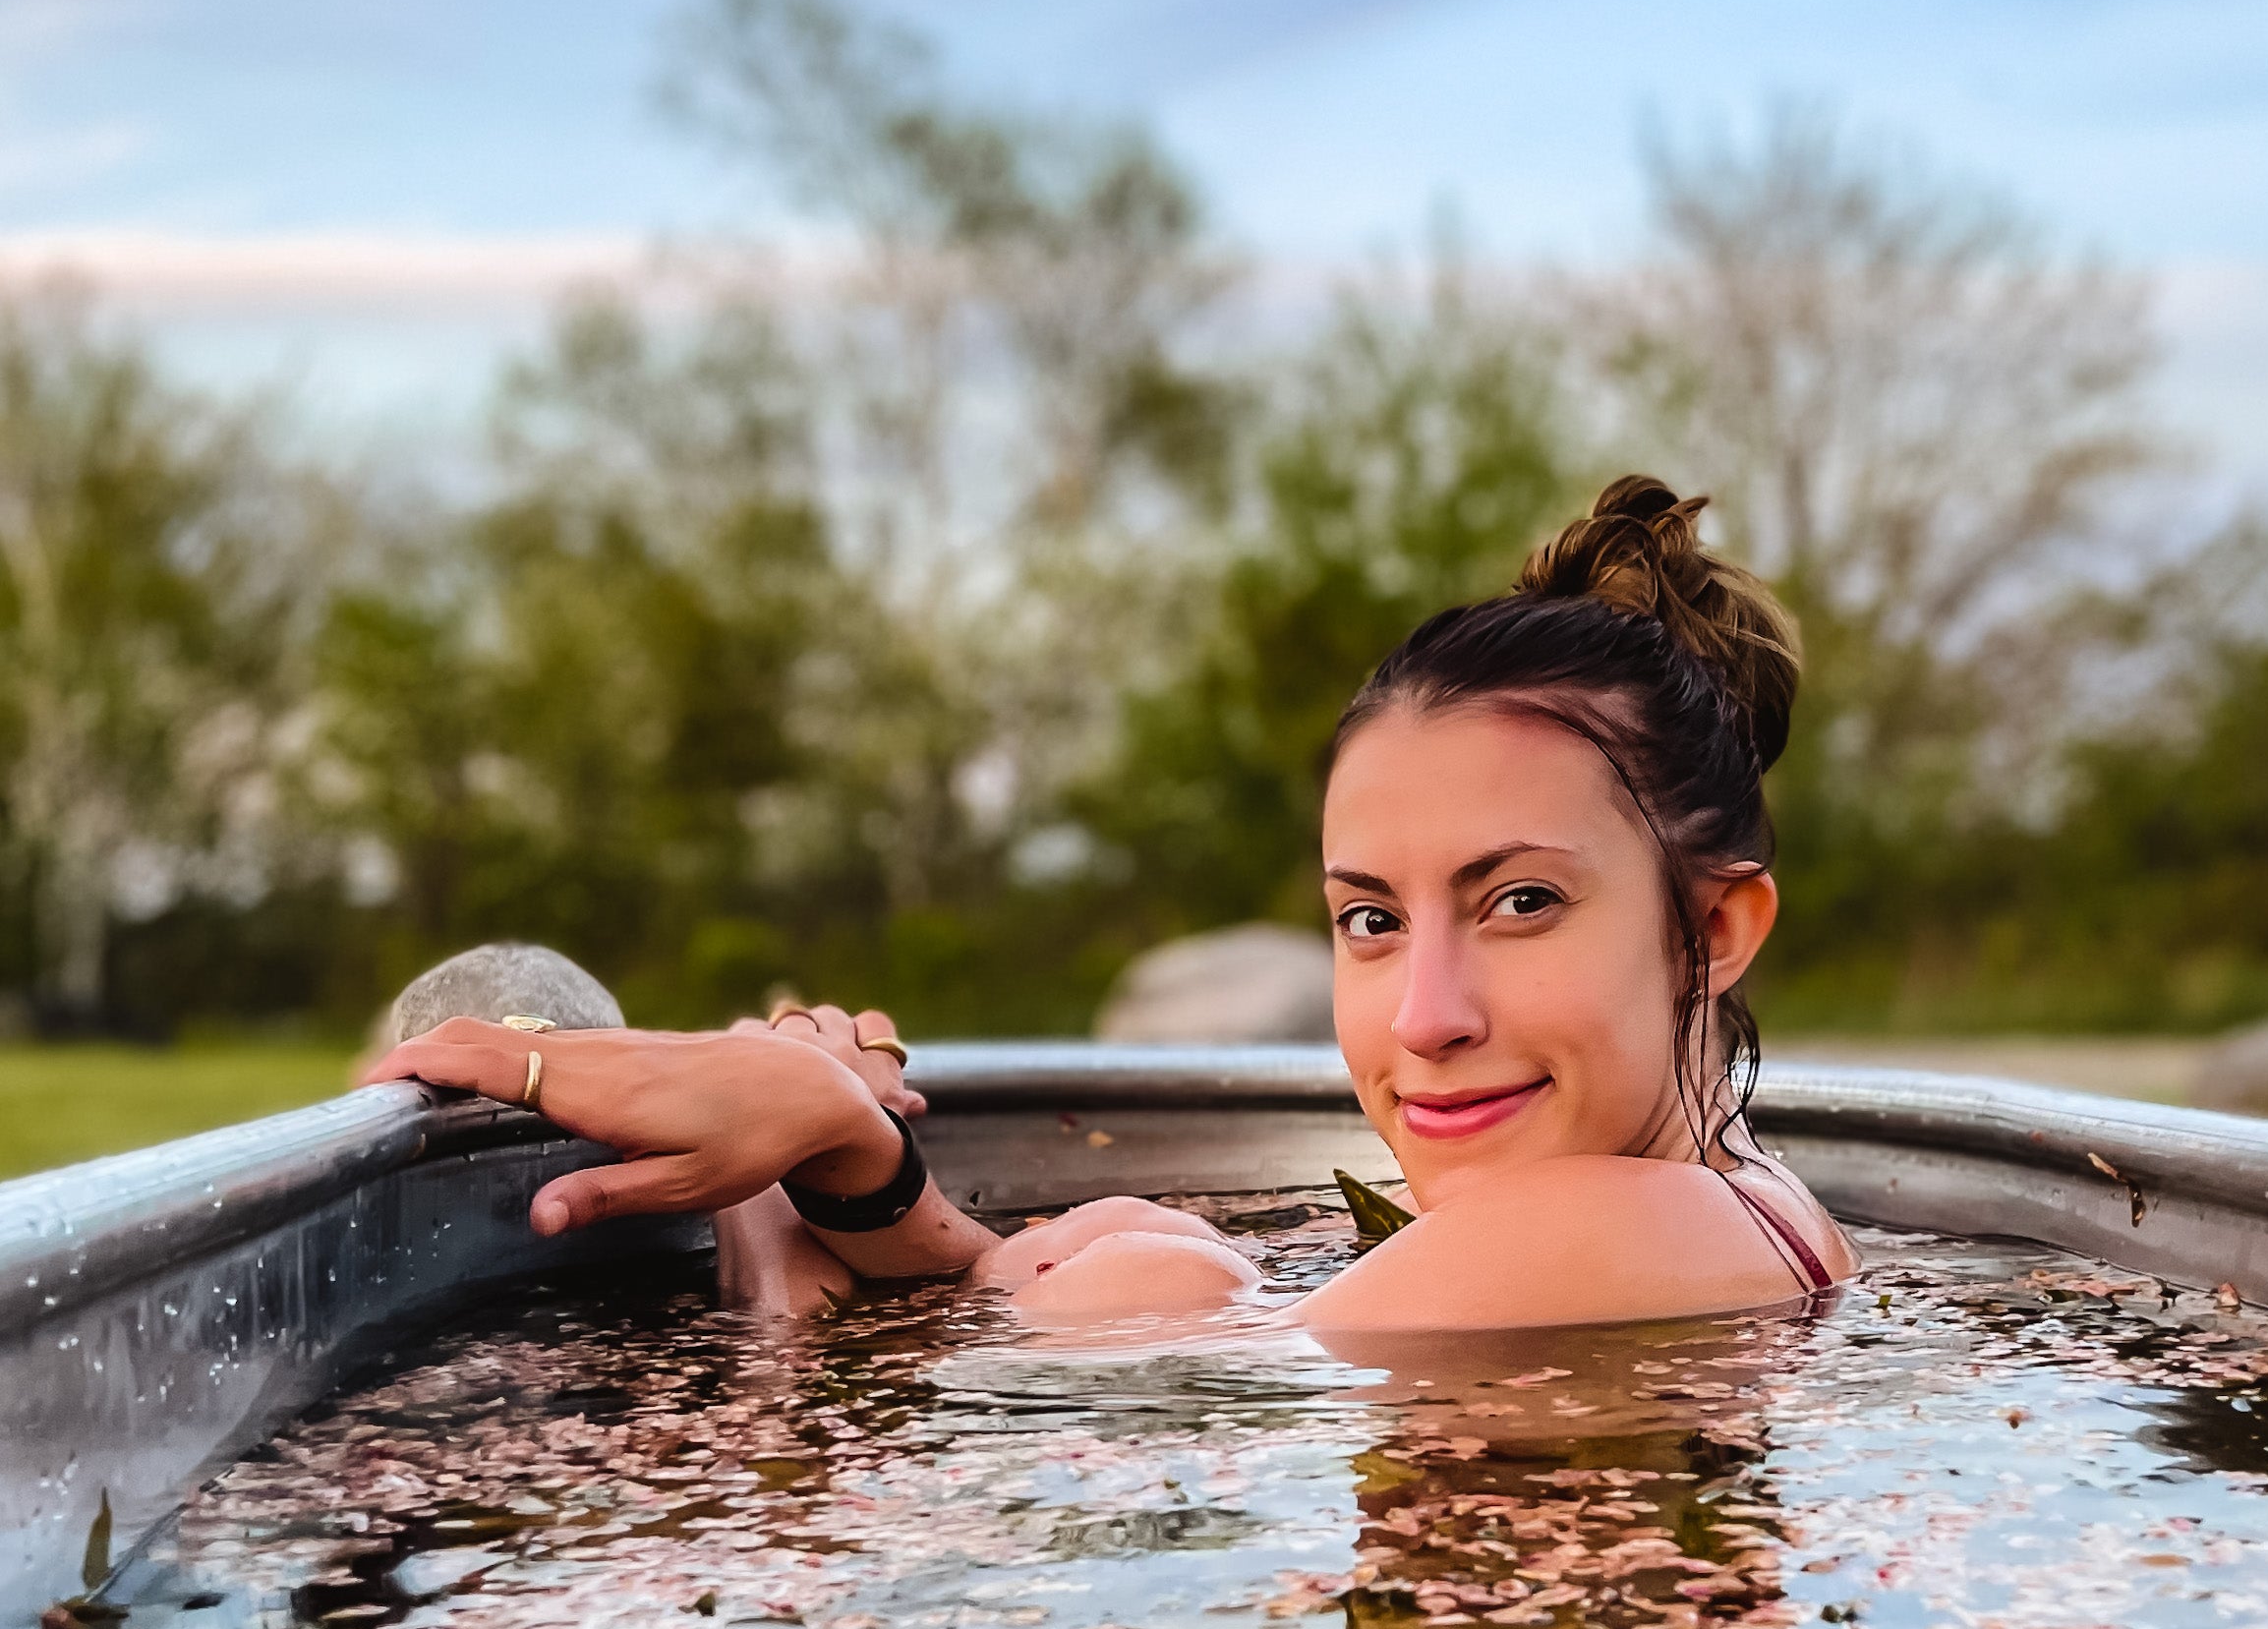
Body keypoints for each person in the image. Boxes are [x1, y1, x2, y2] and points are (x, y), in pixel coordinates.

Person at [362, 474, 1851, 1337]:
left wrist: (760, 1223)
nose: (1427, 1018)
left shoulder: (1621, 1226)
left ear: (1711, 932)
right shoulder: (1690, 1221)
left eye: (1520, 901)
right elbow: (1026, 1311)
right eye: (1371, 919)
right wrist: (849, 1157)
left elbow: (1109, 1400)